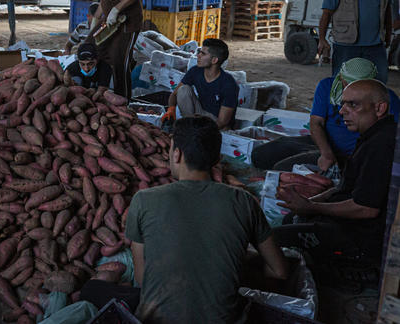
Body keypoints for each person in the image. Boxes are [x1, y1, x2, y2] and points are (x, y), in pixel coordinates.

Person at [126, 116, 288, 323]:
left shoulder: (143, 200)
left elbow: (141, 278)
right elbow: (280, 271)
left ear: (177, 155)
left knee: (95, 292)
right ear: (217, 159)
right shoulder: (244, 201)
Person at [274, 79, 397, 265]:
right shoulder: (371, 136)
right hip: (349, 221)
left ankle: (351, 274)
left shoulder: (380, 145)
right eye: (342, 104)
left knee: (273, 241)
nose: (342, 112)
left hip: (360, 238)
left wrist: (311, 207)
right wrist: (310, 202)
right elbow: (346, 186)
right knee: (292, 219)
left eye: (352, 105)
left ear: (379, 109)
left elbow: (367, 209)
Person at [251, 58, 400, 172]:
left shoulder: (386, 99)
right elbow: (316, 123)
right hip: (323, 142)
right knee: (261, 154)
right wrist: (326, 153)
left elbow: (389, 139)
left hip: (352, 155)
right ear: (341, 78)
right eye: (346, 83)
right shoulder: (327, 86)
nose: (342, 111)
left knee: (281, 168)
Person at [165, 39, 238, 130]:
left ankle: (192, 130)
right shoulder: (195, 71)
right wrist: (171, 108)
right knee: (183, 89)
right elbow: (174, 94)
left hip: (216, 121)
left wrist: (200, 132)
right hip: (200, 113)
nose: (198, 55)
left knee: (224, 129)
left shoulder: (229, 84)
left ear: (214, 60)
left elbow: (222, 122)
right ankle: (189, 126)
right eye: (199, 52)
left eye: (203, 54)